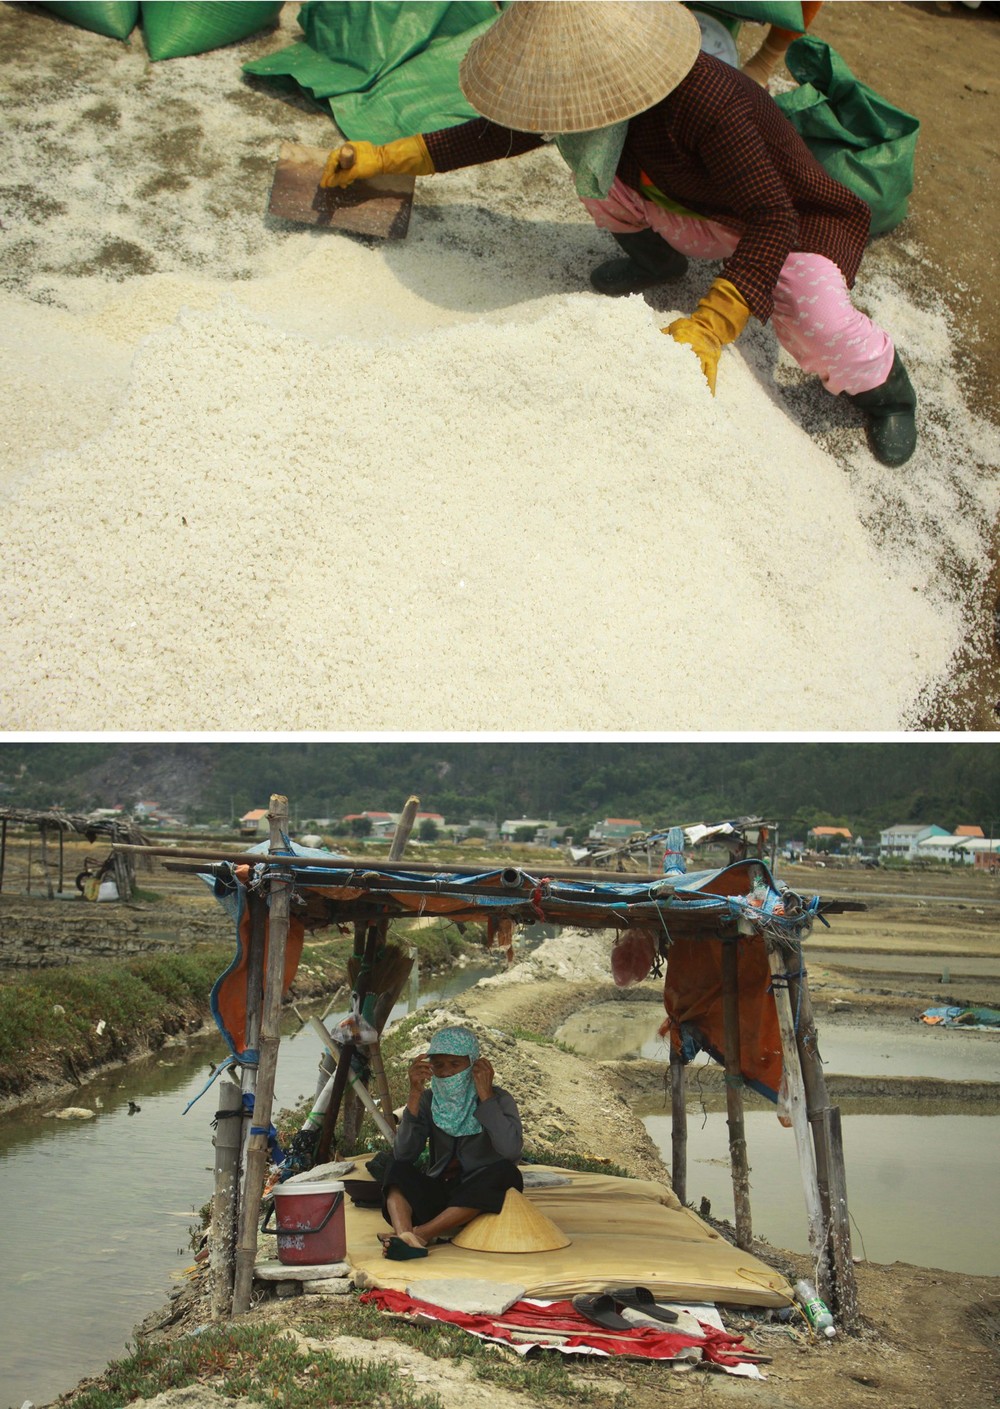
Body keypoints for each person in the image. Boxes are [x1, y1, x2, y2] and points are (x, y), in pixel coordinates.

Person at [320, 1, 916, 467]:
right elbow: (496, 134)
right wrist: (388, 157)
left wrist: (714, 321)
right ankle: (658, 263)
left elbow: (773, 216)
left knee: (809, 318)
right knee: (597, 181)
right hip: (694, 205)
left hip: (792, 222)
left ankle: (885, 390)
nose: (553, 108)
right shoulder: (587, 102)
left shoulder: (711, 103)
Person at [379, 1025, 523, 1258]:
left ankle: (422, 1234)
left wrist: (485, 1097)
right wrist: (414, 1095)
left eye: (455, 1065)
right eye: (439, 1065)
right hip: (440, 1192)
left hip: (478, 1199)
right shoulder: (429, 1100)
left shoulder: (499, 1099)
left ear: (474, 1064)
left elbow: (511, 1151)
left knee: (506, 1173)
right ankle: (405, 1237)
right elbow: (404, 1154)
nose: (446, 1073)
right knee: (394, 1167)